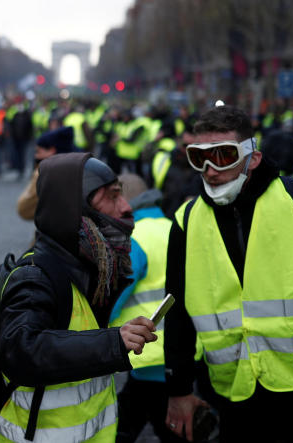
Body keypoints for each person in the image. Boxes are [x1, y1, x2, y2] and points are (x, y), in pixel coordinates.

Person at [164, 104, 293, 443]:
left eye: (222, 155)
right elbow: (175, 311)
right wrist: (178, 390)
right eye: (197, 157)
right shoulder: (185, 222)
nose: (209, 169)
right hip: (235, 394)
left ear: (253, 158)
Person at [0, 154, 156, 442]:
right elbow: (20, 351)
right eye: (113, 196)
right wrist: (113, 342)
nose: (127, 207)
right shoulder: (35, 276)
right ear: (75, 207)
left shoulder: (91, 267)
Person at [109, 174, 176, 442]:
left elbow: (116, 295)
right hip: (177, 349)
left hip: (148, 349)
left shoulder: (135, 236)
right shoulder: (173, 227)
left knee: (143, 419)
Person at [16, 126, 75, 221]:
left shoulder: (45, 173)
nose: (35, 155)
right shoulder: (78, 166)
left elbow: (23, 209)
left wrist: (38, 173)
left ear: (52, 150)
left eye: (38, 151)